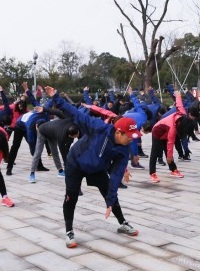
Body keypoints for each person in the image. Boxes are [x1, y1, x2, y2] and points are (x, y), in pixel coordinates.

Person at [45, 86, 139, 248]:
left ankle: (122, 222)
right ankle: (69, 231)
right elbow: (76, 114)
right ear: (118, 132)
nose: (131, 139)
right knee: (71, 196)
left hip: (97, 168)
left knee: (110, 192)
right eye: (129, 136)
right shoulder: (98, 127)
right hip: (76, 163)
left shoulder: (124, 149)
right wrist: (56, 98)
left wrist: (110, 201)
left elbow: (116, 176)